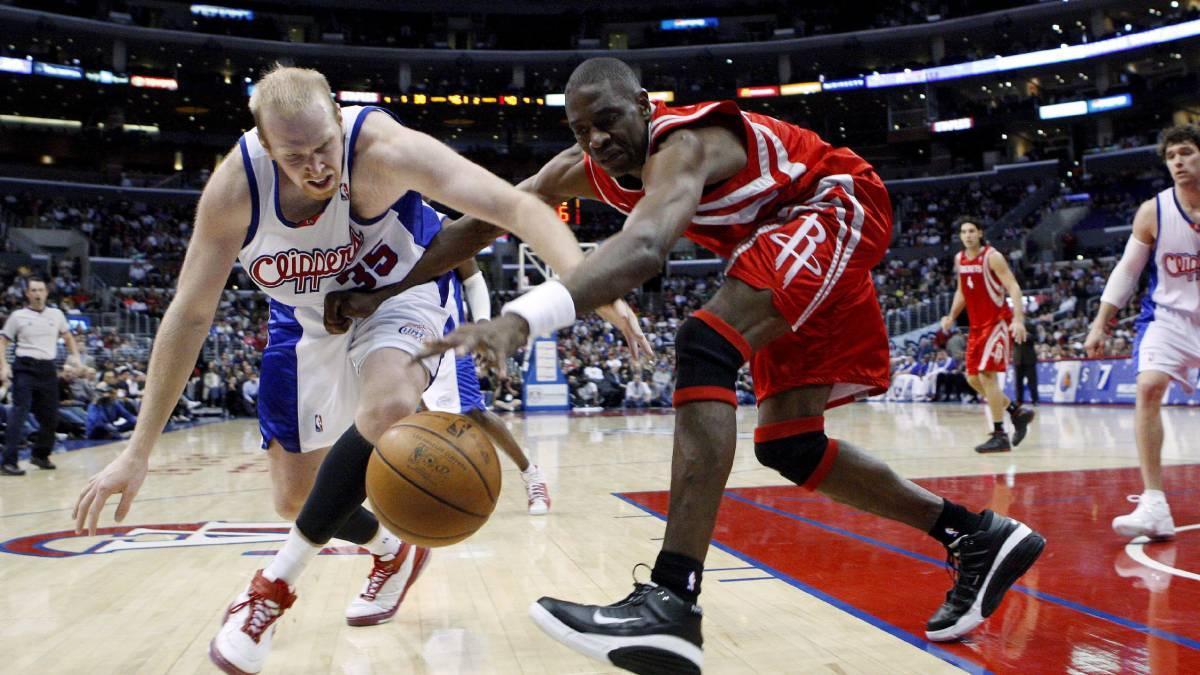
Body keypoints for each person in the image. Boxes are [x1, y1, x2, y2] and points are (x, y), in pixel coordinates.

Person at [330, 57, 1045, 673]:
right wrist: (384, 290)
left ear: (645, 104)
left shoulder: (686, 141)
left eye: (608, 120)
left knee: (703, 342)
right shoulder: (584, 168)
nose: (597, 140)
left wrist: (521, 317)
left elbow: (644, 252)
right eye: (581, 131)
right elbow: (484, 222)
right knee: (788, 445)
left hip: (836, 206)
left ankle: (672, 597)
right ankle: (974, 535)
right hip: (780, 245)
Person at [69, 64, 644, 675]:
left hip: (401, 292)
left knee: (388, 406)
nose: (317, 166)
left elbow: (517, 207)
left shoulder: (384, 150)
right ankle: (391, 548)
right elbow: (190, 314)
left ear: (339, 120)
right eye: (296, 156)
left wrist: (594, 288)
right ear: (265, 145)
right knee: (295, 499)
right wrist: (139, 448)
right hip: (306, 320)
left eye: (325, 146)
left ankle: (270, 589)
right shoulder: (234, 192)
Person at [1084, 123, 1200, 541]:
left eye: (1186, 153)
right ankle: (1154, 505)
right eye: (1171, 157)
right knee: (1149, 387)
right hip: (1168, 318)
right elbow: (1127, 271)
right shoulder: (1154, 211)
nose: (1178, 162)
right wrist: (1100, 323)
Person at [424, 258, 551, 515]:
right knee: (405, 416)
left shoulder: (440, 224)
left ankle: (532, 475)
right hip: (397, 341)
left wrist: (482, 325)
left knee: (474, 412)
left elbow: (472, 278)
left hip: (449, 341)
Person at [940, 218, 1036, 452]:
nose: (968, 235)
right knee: (972, 379)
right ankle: (1016, 411)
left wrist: (1018, 319)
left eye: (972, 231)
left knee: (987, 376)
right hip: (976, 327)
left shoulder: (992, 256)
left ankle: (1000, 434)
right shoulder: (960, 259)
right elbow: (962, 290)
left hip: (997, 323)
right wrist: (951, 316)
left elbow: (1013, 286)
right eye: (963, 232)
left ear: (980, 233)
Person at [0, 277, 83, 474]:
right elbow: (3, 341)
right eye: (33, 290)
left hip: (47, 369)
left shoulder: (56, 315)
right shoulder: (18, 316)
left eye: (41, 290)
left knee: (51, 416)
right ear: (28, 294)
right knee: (19, 413)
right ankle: (7, 462)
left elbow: (68, 336)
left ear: (46, 292)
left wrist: (75, 357)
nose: (37, 293)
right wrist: (3, 365)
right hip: (24, 368)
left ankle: (40, 455)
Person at [1011, 332, 1039, 407]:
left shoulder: (1030, 328)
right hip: (1018, 360)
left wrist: (1023, 334)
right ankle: (1019, 400)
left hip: (1029, 360)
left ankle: (1035, 400)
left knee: (1032, 382)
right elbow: (1011, 339)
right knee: (1018, 382)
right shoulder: (1013, 331)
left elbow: (1035, 338)